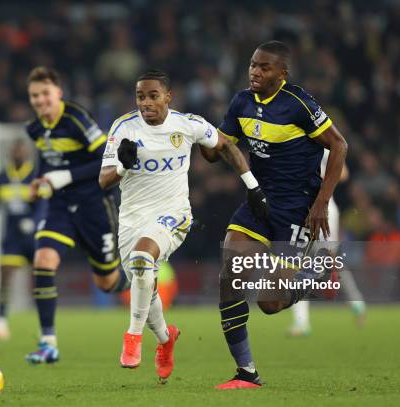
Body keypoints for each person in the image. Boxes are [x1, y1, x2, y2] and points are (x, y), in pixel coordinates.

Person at [99, 69, 268, 382]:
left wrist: (253, 186)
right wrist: (123, 164)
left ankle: (132, 339)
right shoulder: (122, 127)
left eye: (152, 96)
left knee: (141, 261)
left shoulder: (188, 124)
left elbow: (227, 146)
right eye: (140, 96)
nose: (145, 102)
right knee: (143, 281)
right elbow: (103, 181)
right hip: (132, 219)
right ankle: (166, 339)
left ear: (168, 97)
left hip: (174, 213)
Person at [200, 41, 348, 389]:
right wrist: (202, 136)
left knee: (270, 302)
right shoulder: (241, 102)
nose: (255, 72)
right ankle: (246, 373)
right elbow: (217, 150)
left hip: (297, 208)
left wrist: (322, 203)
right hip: (259, 203)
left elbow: (339, 145)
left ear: (282, 74)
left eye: (264, 67)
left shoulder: (299, 104)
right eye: (253, 65)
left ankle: (317, 272)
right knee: (230, 273)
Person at [24, 66, 128, 364]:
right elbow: (47, 162)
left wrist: (64, 176)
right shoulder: (35, 129)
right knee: (43, 260)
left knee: (106, 283)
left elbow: (108, 161)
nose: (40, 100)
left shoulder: (76, 119)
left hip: (95, 205)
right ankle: (48, 343)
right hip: (60, 205)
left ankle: (140, 281)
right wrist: (40, 181)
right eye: (34, 95)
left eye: (45, 93)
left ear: (58, 92)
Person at [288, 156, 366, 337]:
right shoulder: (293, 142)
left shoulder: (322, 144)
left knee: (330, 260)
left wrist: (318, 175)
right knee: (298, 263)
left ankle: (356, 302)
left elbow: (344, 172)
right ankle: (301, 321)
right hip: (301, 210)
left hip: (325, 209)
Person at [0, 139, 44, 340]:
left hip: (34, 237)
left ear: (27, 153)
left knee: (39, 281)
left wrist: (33, 221)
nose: (18, 152)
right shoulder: (2, 177)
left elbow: (44, 204)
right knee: (5, 276)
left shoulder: (36, 175)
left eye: (21, 149)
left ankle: (44, 325)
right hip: (12, 237)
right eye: (15, 149)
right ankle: (1, 322)